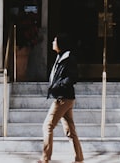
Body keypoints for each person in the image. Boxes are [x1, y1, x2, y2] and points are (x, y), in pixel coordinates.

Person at [40, 33, 83, 163]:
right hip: (65, 97)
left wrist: (58, 86)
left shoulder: (68, 59)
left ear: (61, 44)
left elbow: (72, 77)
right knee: (70, 130)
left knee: (47, 126)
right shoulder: (61, 57)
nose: (53, 42)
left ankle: (45, 158)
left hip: (63, 98)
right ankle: (79, 158)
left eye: (55, 41)